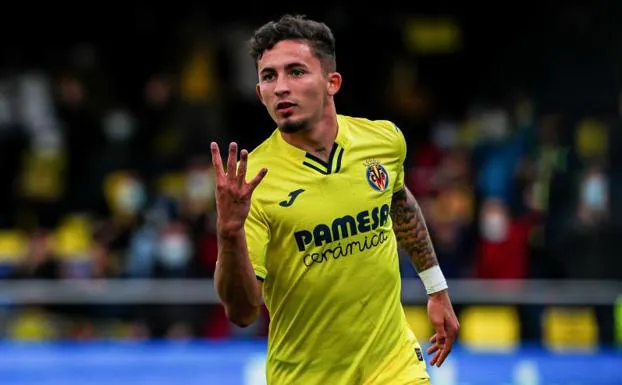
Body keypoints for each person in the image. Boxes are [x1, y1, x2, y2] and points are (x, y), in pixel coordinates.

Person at [210, 14, 459, 385]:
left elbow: (399, 204)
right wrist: (229, 232)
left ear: (332, 82)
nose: (280, 87)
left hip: (392, 364)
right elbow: (243, 313)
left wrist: (436, 288)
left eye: (296, 72)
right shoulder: (252, 183)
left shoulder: (384, 141)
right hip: (305, 375)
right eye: (268, 76)